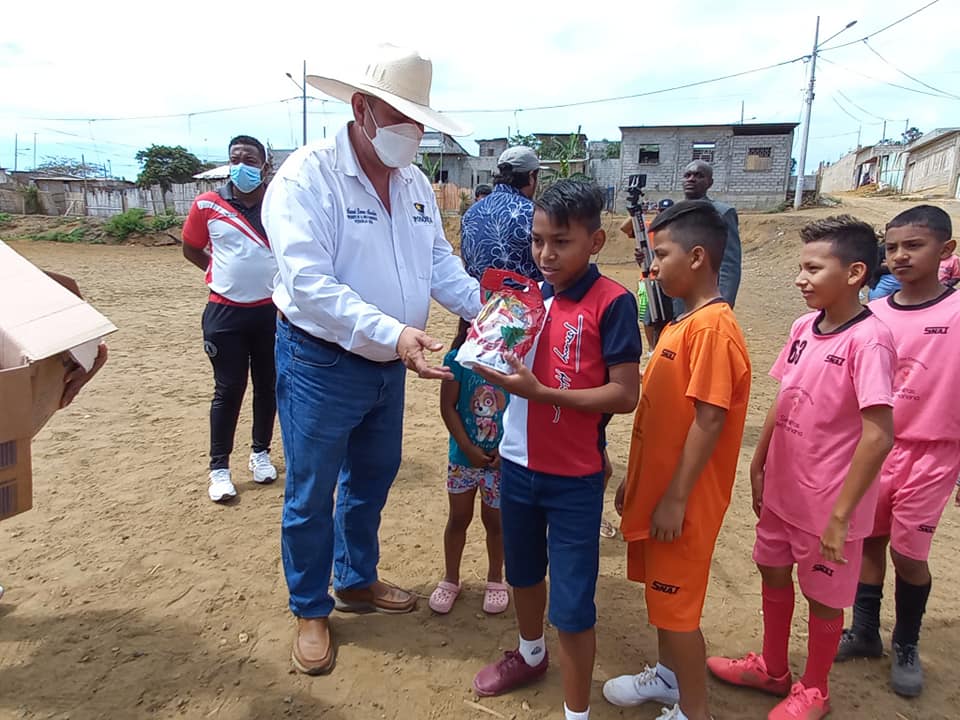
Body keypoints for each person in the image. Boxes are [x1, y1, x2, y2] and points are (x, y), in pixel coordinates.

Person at [261, 44, 480, 676]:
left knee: (373, 475)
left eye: (420, 122)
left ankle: (355, 579)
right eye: (401, 118)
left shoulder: (413, 183)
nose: (413, 133)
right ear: (362, 109)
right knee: (311, 490)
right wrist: (395, 332)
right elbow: (309, 284)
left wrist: (488, 310)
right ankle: (310, 607)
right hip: (321, 361)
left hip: (389, 364)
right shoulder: (307, 179)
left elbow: (438, 262)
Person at [706, 215, 896, 720]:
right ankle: (773, 669)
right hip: (785, 489)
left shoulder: (869, 340)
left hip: (829, 503)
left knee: (823, 595)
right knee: (771, 567)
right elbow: (785, 393)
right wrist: (760, 461)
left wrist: (841, 516)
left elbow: (879, 433)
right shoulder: (802, 327)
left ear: (854, 273)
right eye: (800, 268)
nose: (800, 279)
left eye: (813, 268)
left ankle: (815, 689)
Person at [471, 180, 642, 720]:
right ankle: (529, 654)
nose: (546, 254)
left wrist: (543, 394)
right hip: (517, 467)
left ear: (595, 241)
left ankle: (576, 713)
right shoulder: (525, 298)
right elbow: (499, 361)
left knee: (572, 606)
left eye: (561, 242)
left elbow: (625, 394)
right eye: (538, 240)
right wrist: (479, 356)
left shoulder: (612, 302)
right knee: (523, 573)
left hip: (574, 478)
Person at [606, 200, 751, 720]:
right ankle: (668, 680)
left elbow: (709, 420)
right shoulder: (680, 324)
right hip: (661, 494)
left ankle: (694, 711)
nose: (652, 267)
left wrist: (674, 499)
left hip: (683, 505)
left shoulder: (712, 330)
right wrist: (636, 481)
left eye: (661, 255)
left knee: (679, 611)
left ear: (696, 257)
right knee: (664, 602)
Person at [837, 205, 960, 698]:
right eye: (891, 248)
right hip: (874, 449)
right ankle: (865, 630)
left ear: (946, 250)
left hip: (932, 453)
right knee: (869, 540)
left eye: (914, 246)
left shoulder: (956, 313)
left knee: (910, 554)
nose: (900, 256)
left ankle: (906, 642)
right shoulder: (875, 315)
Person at [181, 134, 279, 503]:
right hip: (225, 313)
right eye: (235, 159)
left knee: (268, 386)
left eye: (249, 160)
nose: (241, 166)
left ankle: (260, 454)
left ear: (264, 166)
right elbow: (191, 247)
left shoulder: (278, 203)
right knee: (228, 389)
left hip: (270, 312)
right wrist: (219, 273)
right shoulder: (208, 204)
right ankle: (219, 469)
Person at [428, 318, 509, 615]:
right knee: (458, 518)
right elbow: (447, 407)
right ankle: (451, 578)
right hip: (463, 461)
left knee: (496, 523)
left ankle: (495, 579)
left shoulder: (512, 362)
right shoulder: (457, 359)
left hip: (500, 463)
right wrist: (467, 448)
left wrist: (505, 447)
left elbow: (521, 406)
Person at [460, 146, 542, 282]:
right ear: (531, 176)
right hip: (525, 295)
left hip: (477, 295)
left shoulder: (470, 213)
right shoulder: (533, 213)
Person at [678, 161, 741, 312]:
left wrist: (723, 304)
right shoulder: (673, 213)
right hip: (672, 295)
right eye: (687, 175)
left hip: (703, 297)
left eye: (699, 175)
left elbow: (729, 264)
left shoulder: (721, 213)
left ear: (710, 183)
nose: (691, 179)